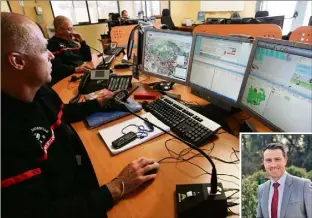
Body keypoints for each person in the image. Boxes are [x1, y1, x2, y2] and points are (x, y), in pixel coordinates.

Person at [1, 12, 159, 218]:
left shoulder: (40, 91)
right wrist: (118, 186)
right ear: (18, 61)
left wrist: (98, 103)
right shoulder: (8, 137)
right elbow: (41, 213)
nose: (50, 55)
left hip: (77, 178)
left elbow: (61, 113)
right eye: (43, 49)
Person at [256, 143, 312, 218]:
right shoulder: (261, 189)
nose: (273, 165)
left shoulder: (303, 185)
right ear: (263, 162)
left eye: (277, 159)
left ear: (285, 160)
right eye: (268, 160)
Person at [47, 15, 92, 85]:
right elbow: (56, 67)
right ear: (59, 30)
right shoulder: (52, 44)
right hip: (67, 80)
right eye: (69, 29)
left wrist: (82, 41)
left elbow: (87, 58)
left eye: (72, 29)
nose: (72, 32)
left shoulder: (72, 43)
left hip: (81, 74)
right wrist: (75, 69)